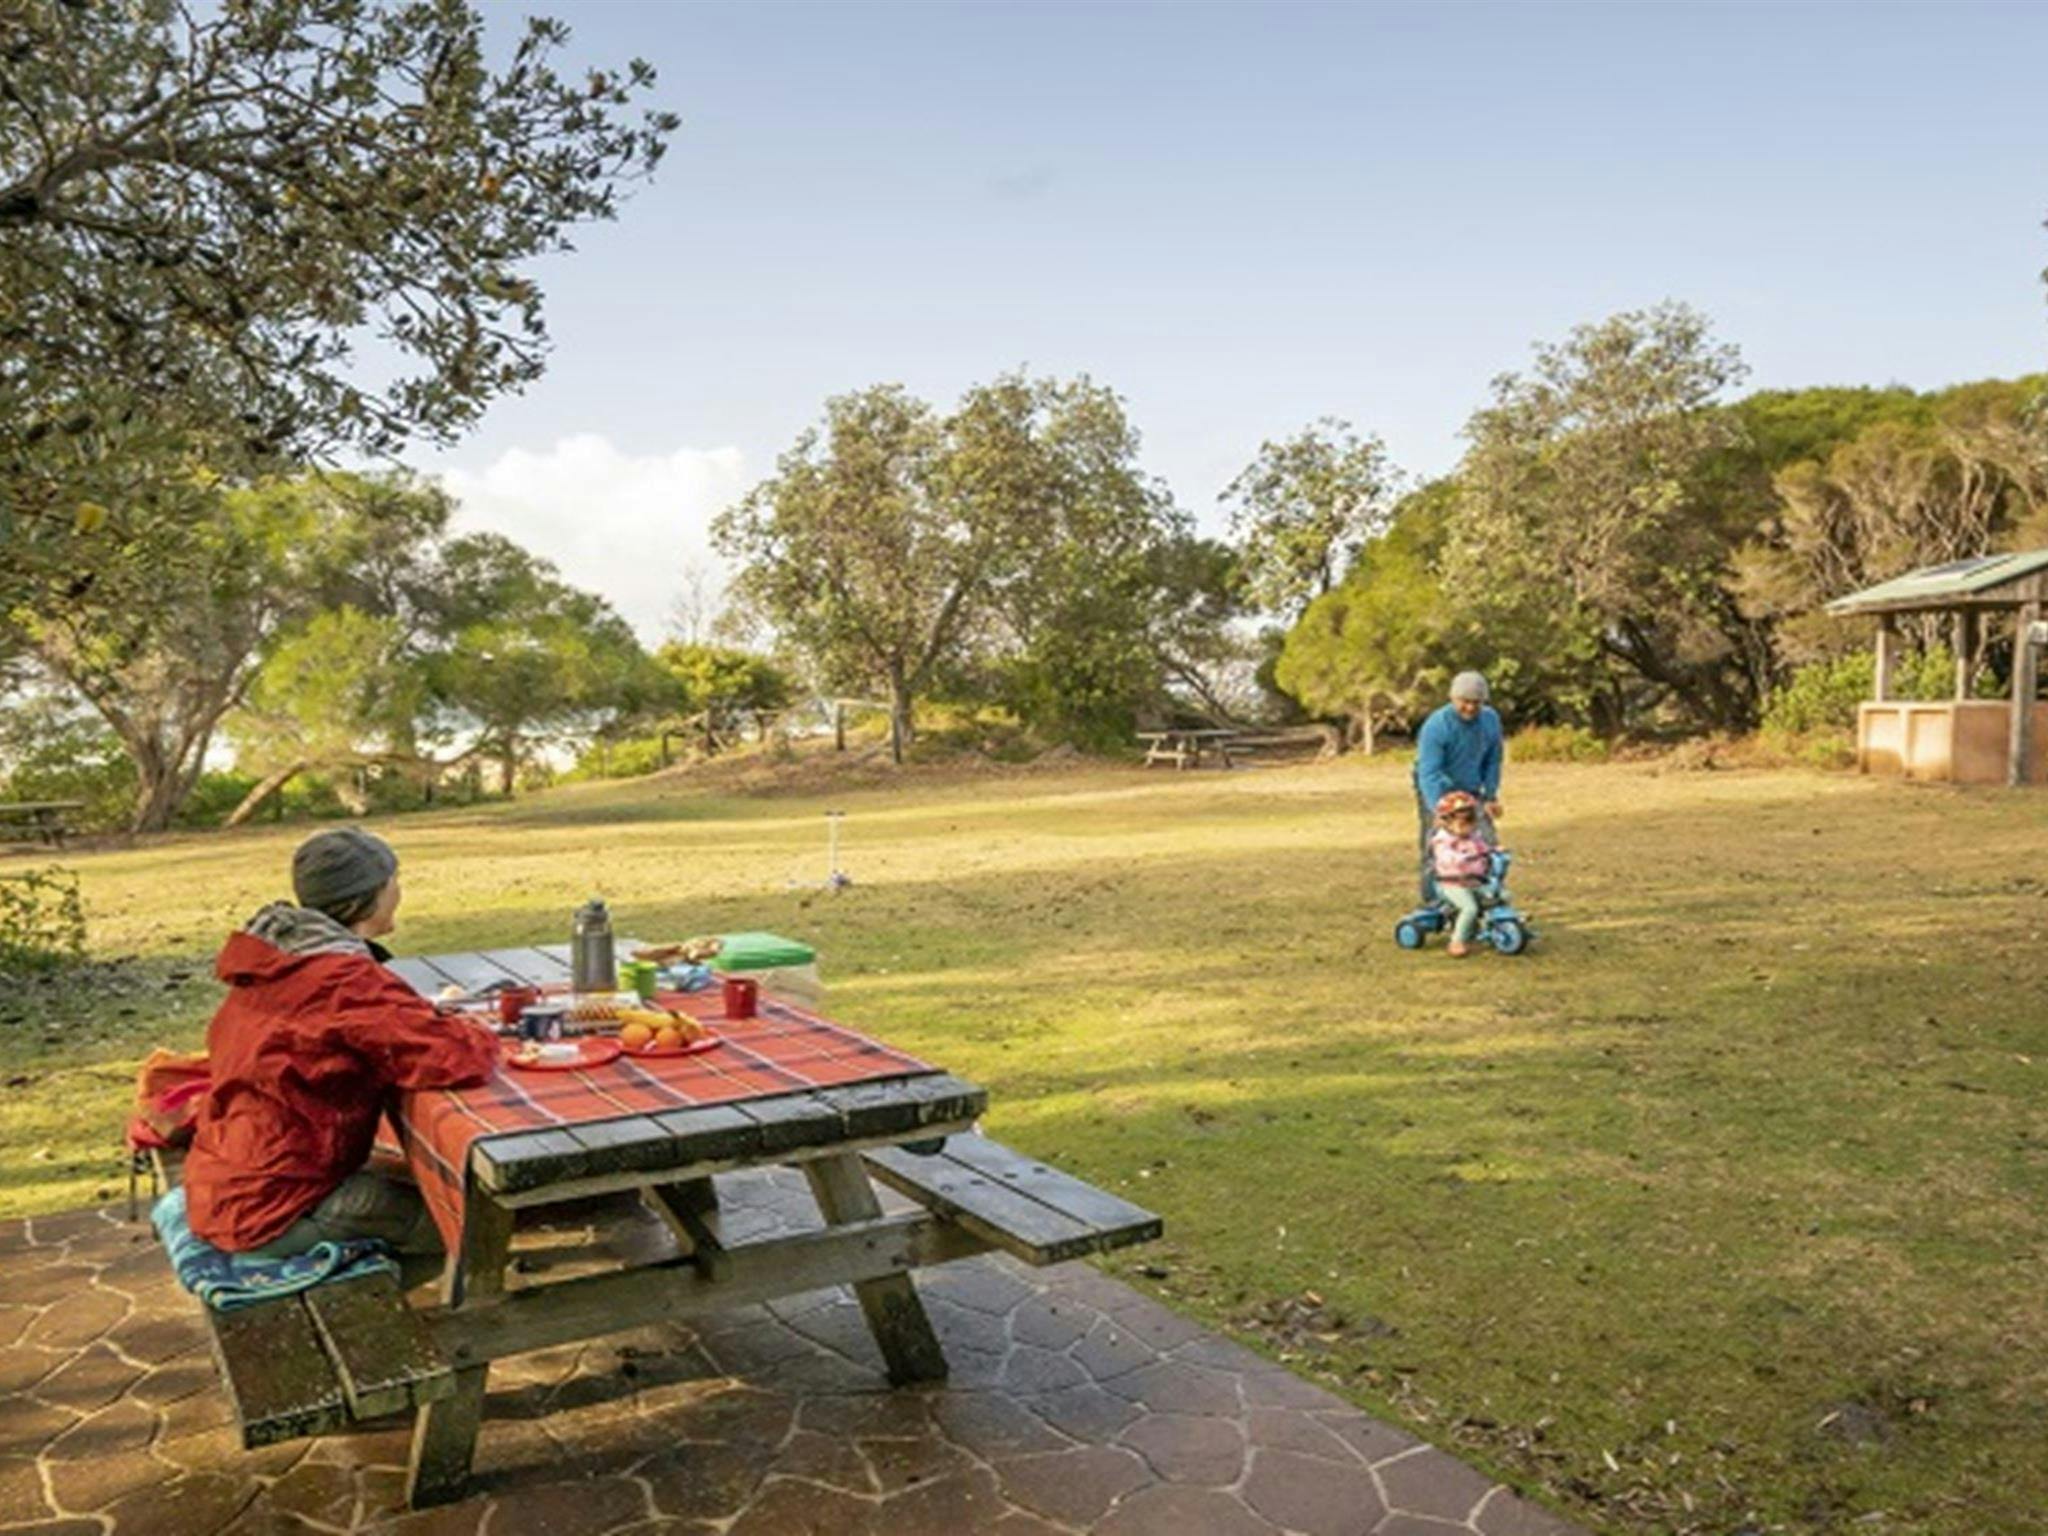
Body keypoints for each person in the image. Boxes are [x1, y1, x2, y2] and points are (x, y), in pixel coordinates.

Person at [183, 828, 497, 1265]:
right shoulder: (341, 981)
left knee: (434, 1185)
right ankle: (423, 1320)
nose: (399, 890)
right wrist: (476, 1026)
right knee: (477, 1223)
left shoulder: (281, 959)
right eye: (394, 880)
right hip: (276, 1212)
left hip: (229, 1185)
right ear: (373, 893)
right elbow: (458, 1057)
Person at [1412, 671, 1504, 904]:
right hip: (1438, 785)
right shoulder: (1437, 726)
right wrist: (1438, 810)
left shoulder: (1490, 720)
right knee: (1438, 843)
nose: (1470, 708)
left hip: (1471, 785)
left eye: (1477, 702)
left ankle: (1481, 895)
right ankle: (1435, 899)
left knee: (1485, 840)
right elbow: (1429, 772)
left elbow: (1493, 759)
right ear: (1453, 698)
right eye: (1465, 701)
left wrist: (1491, 795)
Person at [1429, 791, 1496, 957]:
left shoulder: (1473, 837)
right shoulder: (1442, 840)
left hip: (1475, 881)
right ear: (1446, 822)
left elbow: (1482, 847)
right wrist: (1460, 858)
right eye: (1461, 823)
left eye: (1470, 822)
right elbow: (1446, 857)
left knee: (1500, 896)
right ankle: (1457, 940)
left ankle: (1497, 926)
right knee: (1469, 908)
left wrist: (1492, 851)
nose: (1466, 827)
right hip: (1452, 884)